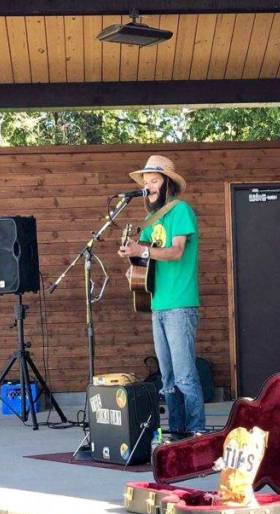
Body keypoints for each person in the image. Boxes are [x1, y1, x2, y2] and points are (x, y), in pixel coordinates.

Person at [117, 155, 205, 435]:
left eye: (154, 181)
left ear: (168, 183)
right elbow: (145, 262)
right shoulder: (149, 220)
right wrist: (132, 268)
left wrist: (141, 251)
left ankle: (196, 432)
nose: (149, 187)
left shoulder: (181, 211)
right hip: (158, 303)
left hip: (180, 303)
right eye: (146, 183)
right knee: (166, 377)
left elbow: (177, 251)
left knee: (185, 375)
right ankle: (178, 431)